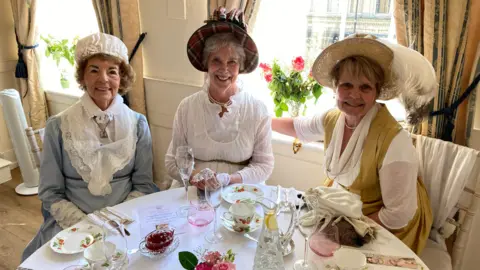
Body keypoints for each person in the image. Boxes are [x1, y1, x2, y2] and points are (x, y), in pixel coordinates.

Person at [272, 34, 434, 254]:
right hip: (349, 209)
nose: (354, 95)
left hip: (390, 224)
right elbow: (298, 127)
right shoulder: (332, 119)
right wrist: (262, 121)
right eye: (346, 85)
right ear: (335, 88)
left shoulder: (395, 140)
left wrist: (349, 227)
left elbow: (399, 213)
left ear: (377, 92)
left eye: (365, 87)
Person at [22, 33, 159, 261]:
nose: (103, 79)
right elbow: (50, 193)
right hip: (74, 226)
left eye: (112, 71)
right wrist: (87, 226)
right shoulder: (59, 126)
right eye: (94, 70)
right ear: (82, 77)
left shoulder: (138, 124)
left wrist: (115, 220)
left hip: (124, 221)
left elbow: (144, 184)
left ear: (121, 78)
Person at [165, 7, 274, 190]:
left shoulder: (258, 109)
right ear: (206, 63)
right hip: (193, 190)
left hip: (240, 190)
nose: (224, 69)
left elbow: (264, 166)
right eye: (216, 60)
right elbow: (172, 162)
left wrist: (227, 180)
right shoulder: (187, 107)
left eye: (232, 62)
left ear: (240, 66)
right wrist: (195, 178)